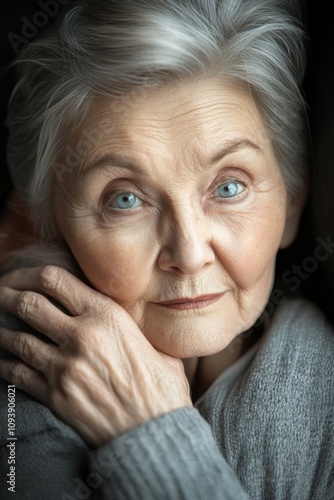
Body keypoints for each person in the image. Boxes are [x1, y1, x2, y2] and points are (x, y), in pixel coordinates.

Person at [0, 0, 333, 498]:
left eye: (229, 188)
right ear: (52, 228)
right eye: (125, 199)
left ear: (291, 204)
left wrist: (150, 433)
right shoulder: (14, 395)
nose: (190, 252)